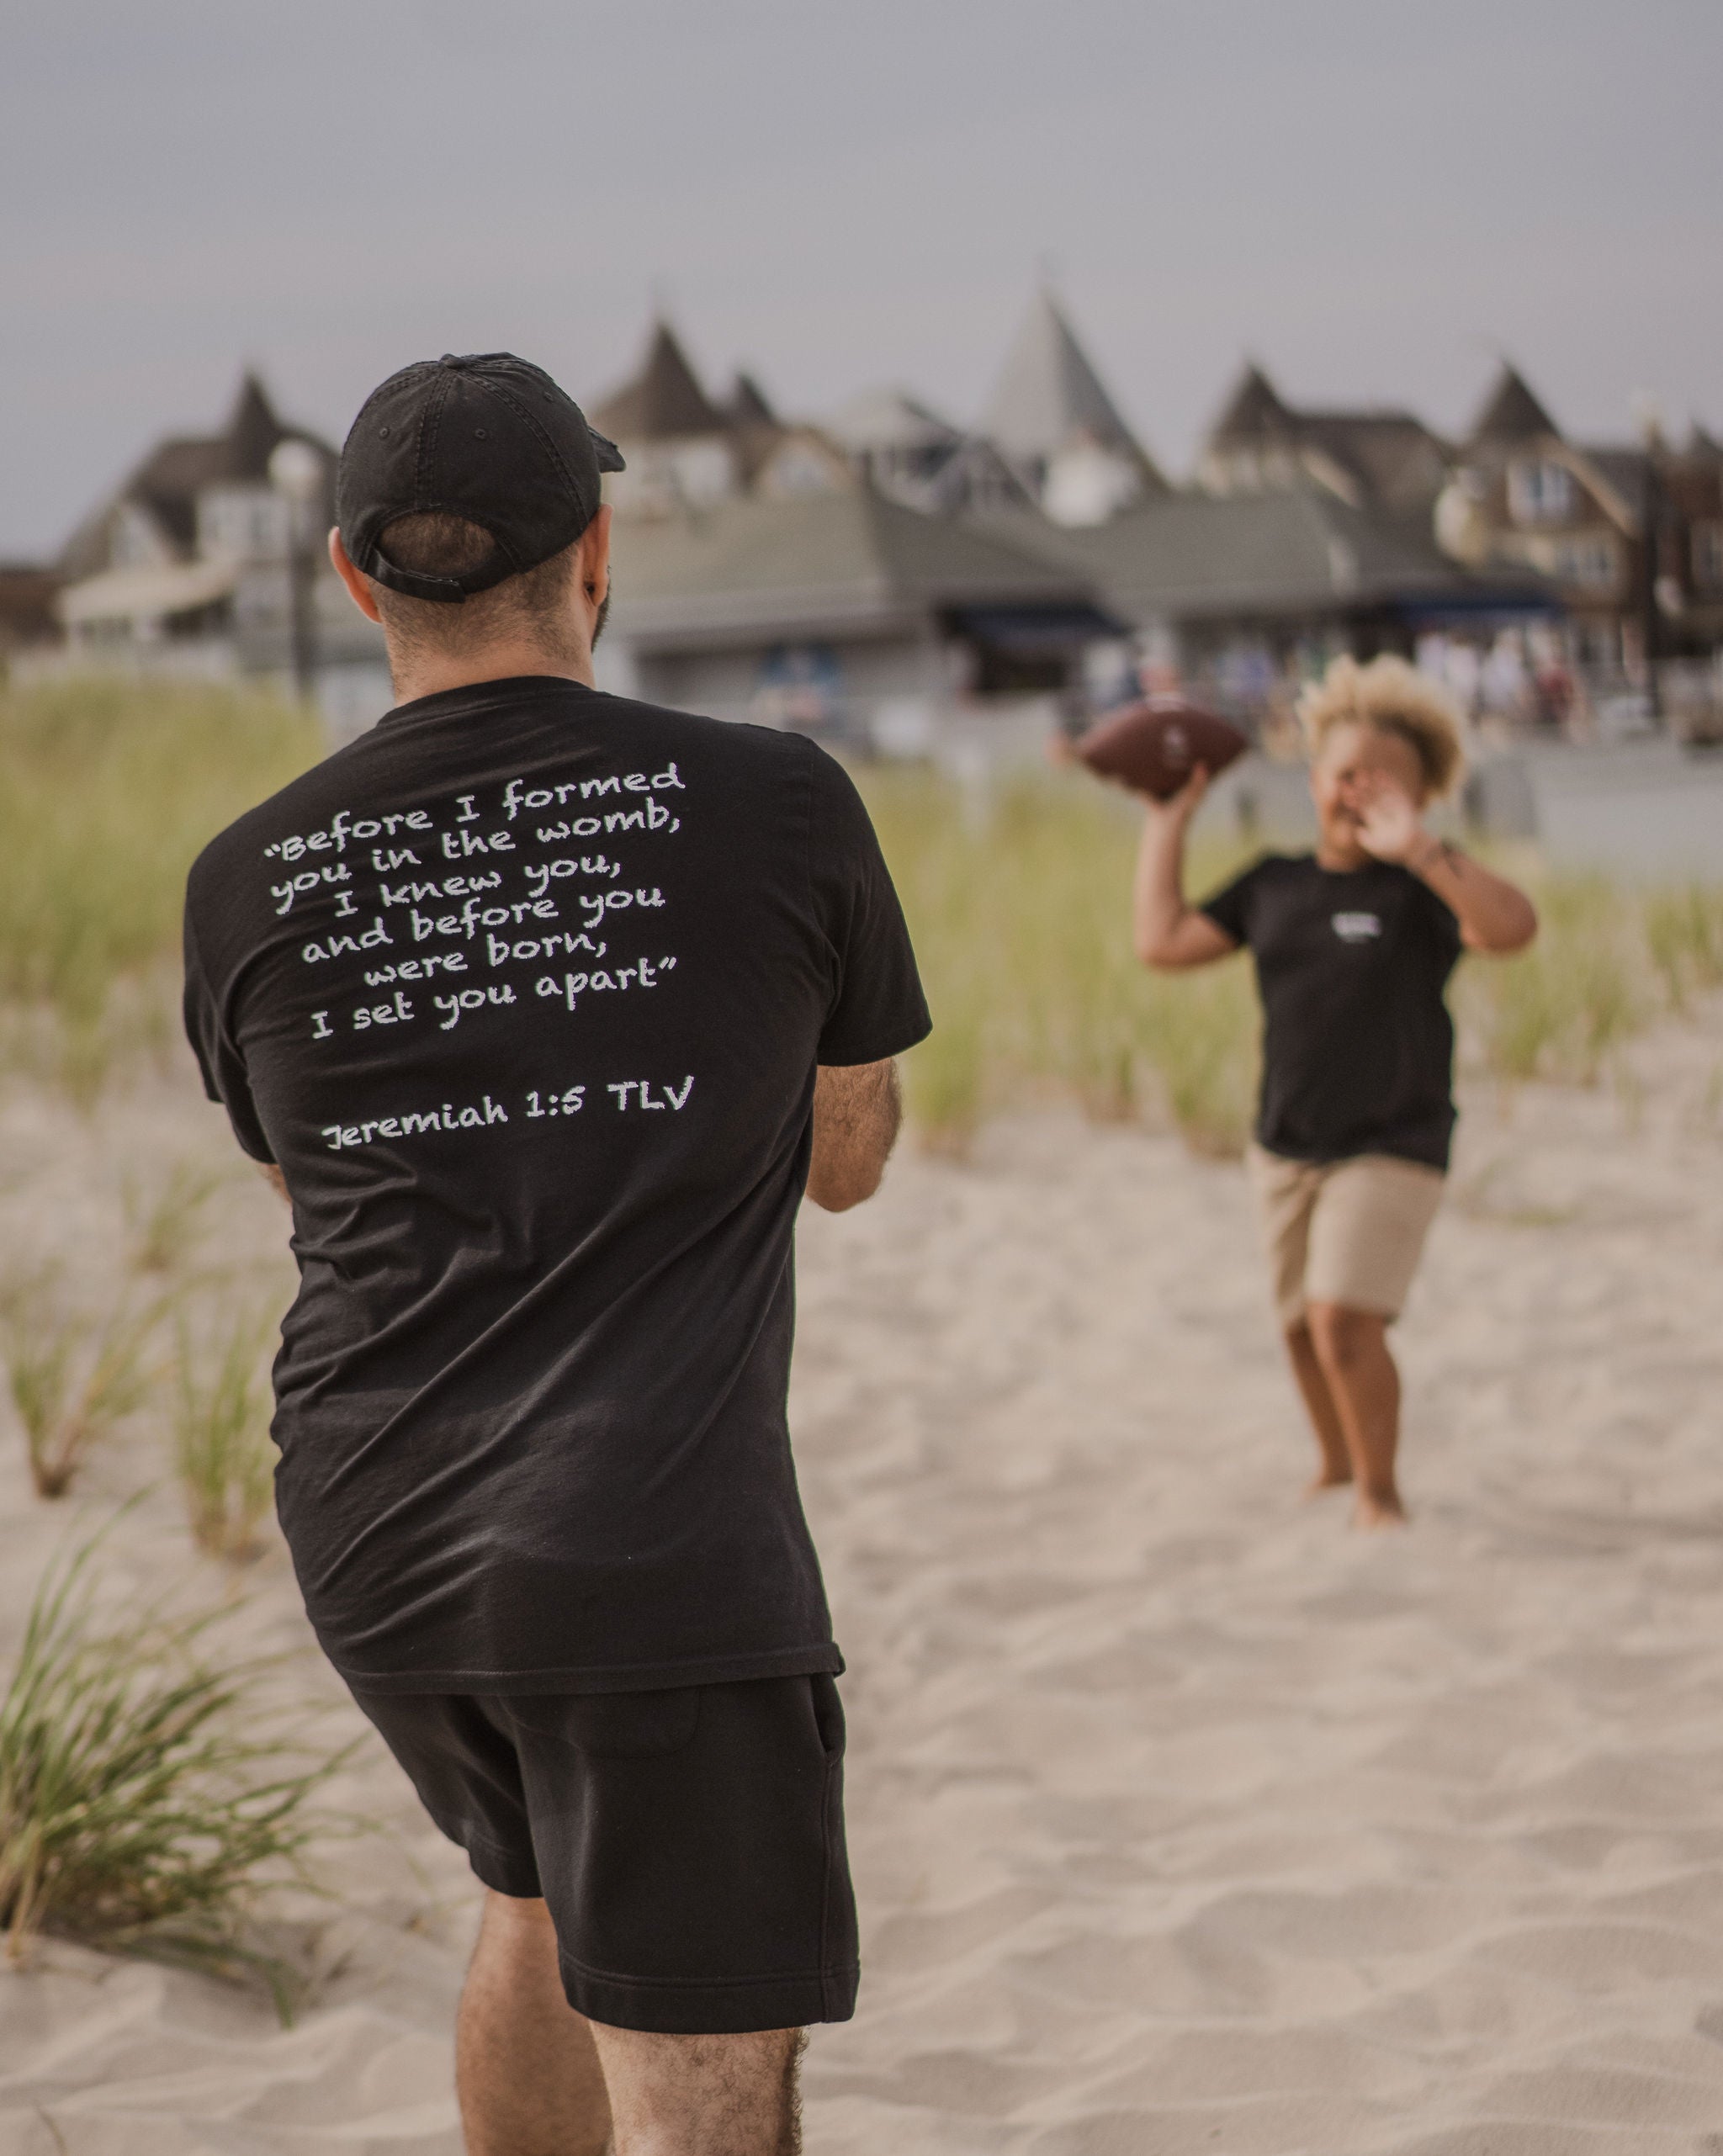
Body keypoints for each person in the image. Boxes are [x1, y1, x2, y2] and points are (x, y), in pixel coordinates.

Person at [182, 352, 930, 2156]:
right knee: (703, 2091)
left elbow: (313, 1194)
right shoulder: (779, 799)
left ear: (355, 579)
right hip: (648, 1539)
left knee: (534, 1883)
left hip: (376, 1533)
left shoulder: (246, 873)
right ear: (596, 553)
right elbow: (845, 1163)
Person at [1133, 655, 1536, 1530]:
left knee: (1342, 1320)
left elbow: (1512, 928)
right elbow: (1161, 941)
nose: (1360, 792)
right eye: (1346, 773)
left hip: (1393, 1142)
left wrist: (1418, 848)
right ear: (1314, 779)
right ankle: (1335, 1463)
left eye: (1384, 782)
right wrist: (1168, 821)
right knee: (1297, 1328)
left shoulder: (1422, 889)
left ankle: (1380, 1496)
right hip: (1284, 1144)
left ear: (1420, 797)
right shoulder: (1274, 882)